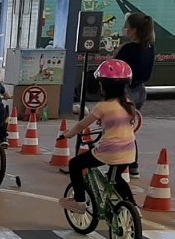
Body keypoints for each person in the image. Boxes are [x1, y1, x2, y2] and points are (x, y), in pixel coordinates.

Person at [58, 60, 138, 214]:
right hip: (130, 151)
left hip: (110, 152)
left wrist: (67, 135)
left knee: (75, 164)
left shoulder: (102, 107)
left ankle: (79, 202)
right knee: (115, 178)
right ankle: (133, 207)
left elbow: (81, 125)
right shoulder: (129, 103)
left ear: (103, 86)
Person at [113, 12, 155, 179]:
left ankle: (126, 164)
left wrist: (116, 53)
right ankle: (132, 165)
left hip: (125, 91)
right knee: (128, 128)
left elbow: (112, 68)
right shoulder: (150, 48)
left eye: (127, 27)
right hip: (140, 92)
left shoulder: (127, 49)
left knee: (119, 129)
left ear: (134, 30)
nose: (125, 30)